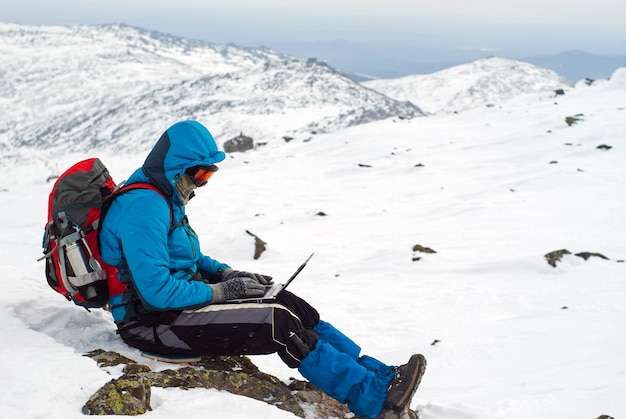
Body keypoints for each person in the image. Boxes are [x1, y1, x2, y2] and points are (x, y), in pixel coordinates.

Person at [99, 120, 426, 419]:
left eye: (209, 176)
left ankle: (379, 377)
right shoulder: (144, 207)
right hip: (153, 324)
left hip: (179, 307)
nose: (202, 184)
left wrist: (228, 274)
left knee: (290, 303)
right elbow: (157, 291)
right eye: (200, 175)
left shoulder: (164, 197)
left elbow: (188, 258)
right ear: (175, 169)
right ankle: (372, 400)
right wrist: (220, 292)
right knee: (277, 321)